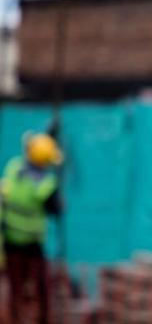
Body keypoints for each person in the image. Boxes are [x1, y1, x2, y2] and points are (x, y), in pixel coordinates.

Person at [1, 132, 63, 324]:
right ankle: (40, 318)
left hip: (10, 238)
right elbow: (56, 208)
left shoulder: (14, 167)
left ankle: (16, 316)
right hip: (32, 243)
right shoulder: (45, 183)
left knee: (16, 286)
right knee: (39, 288)